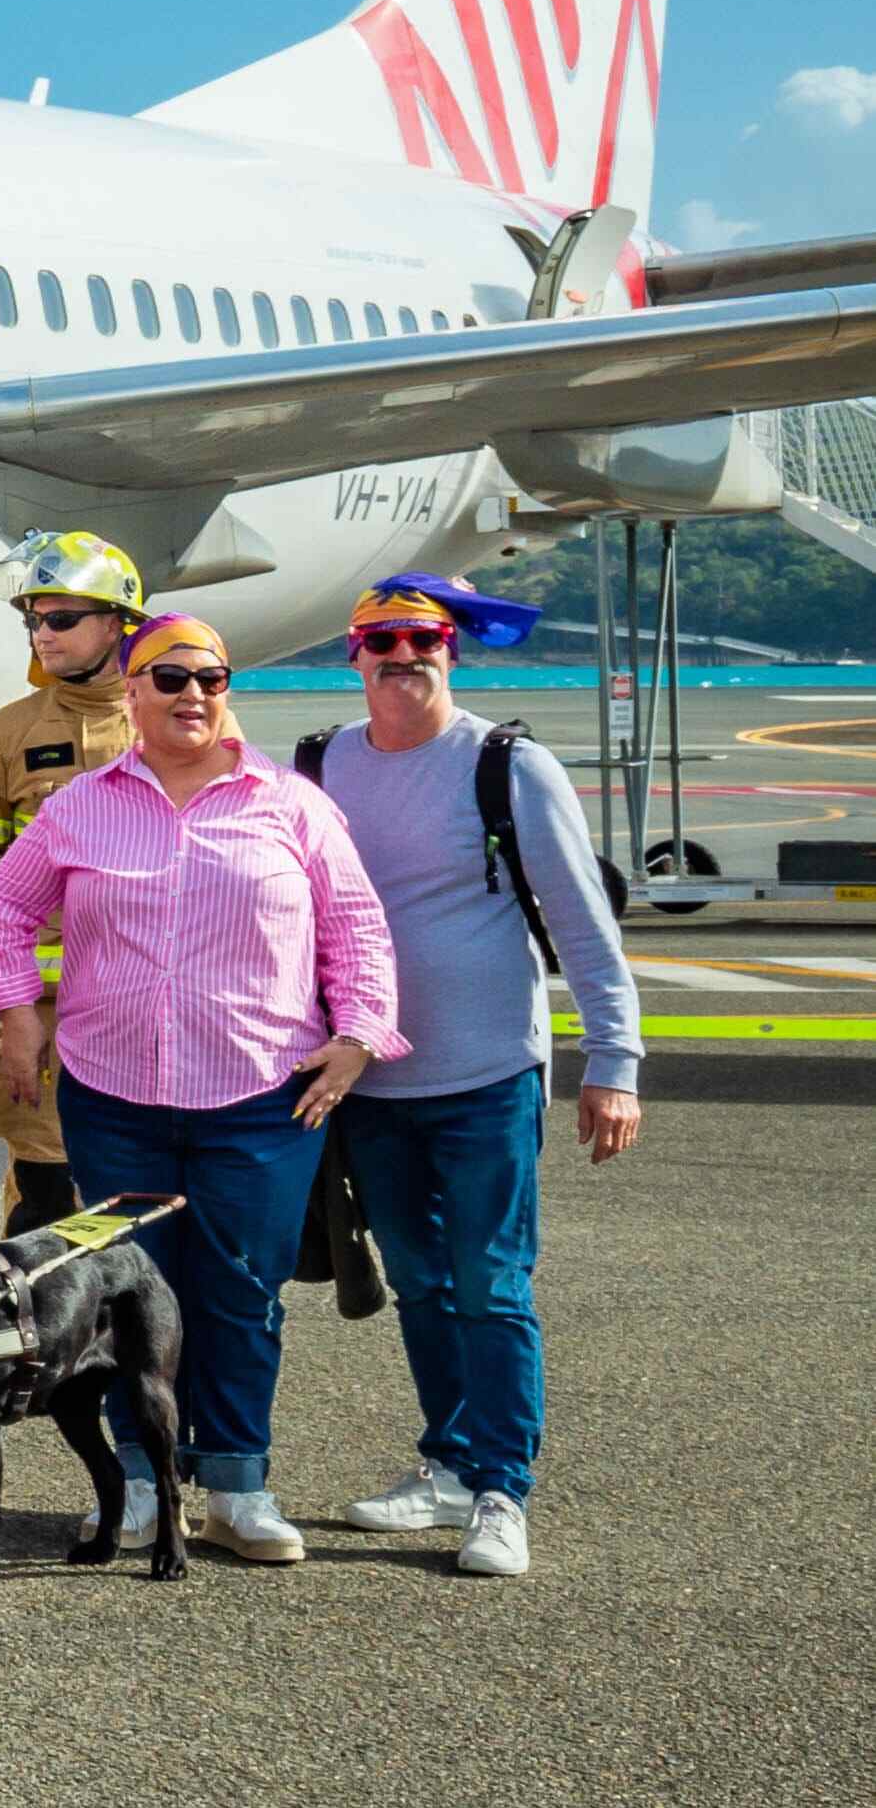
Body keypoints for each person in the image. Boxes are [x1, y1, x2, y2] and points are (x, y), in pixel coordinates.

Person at [0, 611, 401, 1569]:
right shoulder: (80, 806)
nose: (193, 694)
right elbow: (1, 904)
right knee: (123, 1301)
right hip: (113, 1097)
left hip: (262, 1096)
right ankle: (138, 1482)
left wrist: (360, 1035)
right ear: (132, 691)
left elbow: (356, 926)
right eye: (170, 677)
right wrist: (19, 1014)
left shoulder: (289, 803)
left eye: (212, 677)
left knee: (241, 1290)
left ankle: (239, 1487)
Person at [305, 575, 640, 1579]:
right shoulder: (319, 763)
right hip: (372, 1081)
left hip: (488, 1071)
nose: (402, 655)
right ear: (353, 654)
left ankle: (502, 1488)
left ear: (451, 649)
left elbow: (581, 920)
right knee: (418, 1281)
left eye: (423, 637)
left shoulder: (508, 765)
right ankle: (449, 1462)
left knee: (490, 1283)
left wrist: (613, 1061)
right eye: (381, 639)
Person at [0, 532, 149, 1232]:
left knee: (145, 1198)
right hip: (44, 1011)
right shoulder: (6, 734)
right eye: (33, 619)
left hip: (150, 1007)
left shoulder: (173, 719)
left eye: (60, 618)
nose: (42, 633)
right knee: (46, 1195)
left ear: (118, 623)